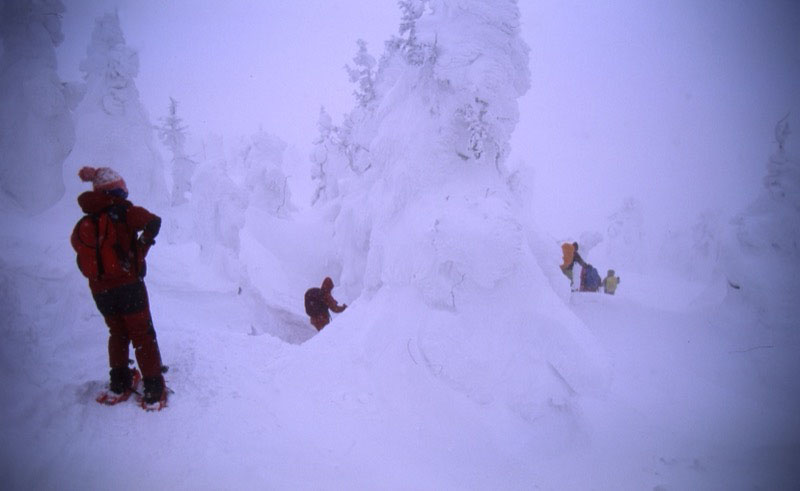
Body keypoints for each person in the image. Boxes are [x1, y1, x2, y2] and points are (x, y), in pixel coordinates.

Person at [71, 166, 167, 407]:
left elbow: (79, 251)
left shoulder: (86, 221)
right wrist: (141, 248)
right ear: (115, 190)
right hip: (128, 286)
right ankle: (154, 389)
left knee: (118, 333)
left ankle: (119, 382)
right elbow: (153, 221)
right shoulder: (124, 212)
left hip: (101, 291)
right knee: (142, 334)